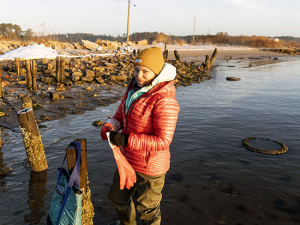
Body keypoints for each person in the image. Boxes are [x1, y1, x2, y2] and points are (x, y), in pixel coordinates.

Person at [100, 47, 180, 225]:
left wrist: (126, 140)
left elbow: (163, 141)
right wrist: (110, 125)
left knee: (147, 211)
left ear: (157, 73)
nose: (139, 75)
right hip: (128, 159)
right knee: (117, 199)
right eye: (137, 70)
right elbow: (120, 116)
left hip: (150, 167)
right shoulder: (132, 90)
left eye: (145, 71)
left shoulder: (164, 100)